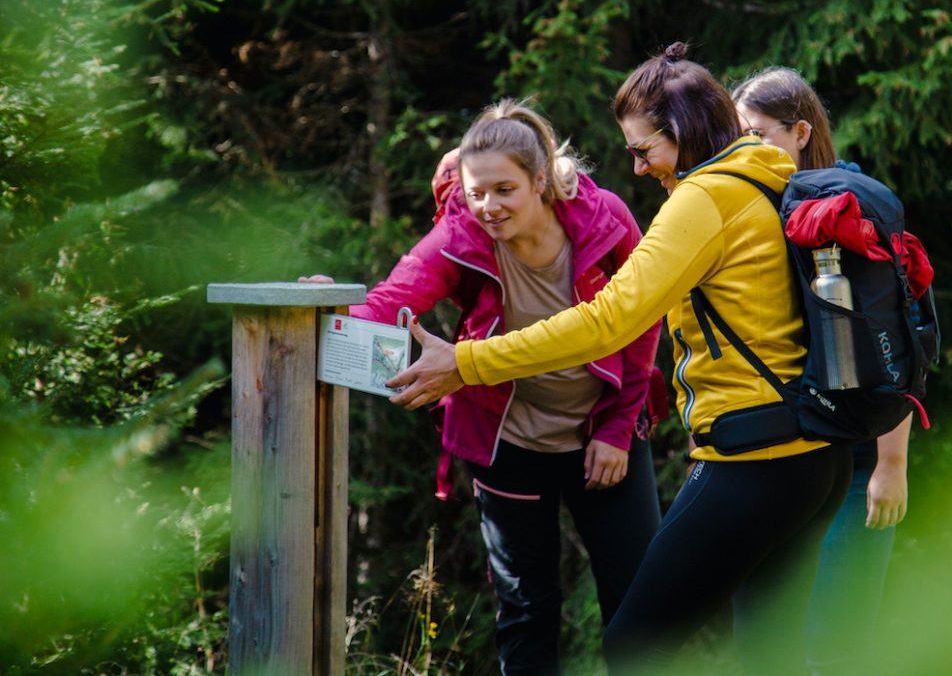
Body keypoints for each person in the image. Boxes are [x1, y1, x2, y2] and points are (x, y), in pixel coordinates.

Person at [388, 43, 854, 673]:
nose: (636, 168)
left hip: (754, 458)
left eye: (643, 150)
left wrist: (467, 362)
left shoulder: (706, 198)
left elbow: (610, 321)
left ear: (685, 133)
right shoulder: (773, 179)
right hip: (819, 460)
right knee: (772, 652)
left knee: (637, 645)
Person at [305, 98, 663, 676]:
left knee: (639, 604)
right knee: (526, 610)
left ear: (540, 180)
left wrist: (620, 429)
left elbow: (645, 319)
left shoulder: (605, 219)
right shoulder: (459, 235)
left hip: (606, 437)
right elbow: (394, 301)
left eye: (504, 190)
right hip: (509, 443)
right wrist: (331, 309)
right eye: (476, 193)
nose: (488, 207)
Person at [733, 65, 913, 675]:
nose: (744, 148)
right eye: (737, 136)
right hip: (784, 451)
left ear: (800, 130)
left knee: (837, 642)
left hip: (858, 456)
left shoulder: (845, 209)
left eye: (755, 133)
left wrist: (891, 466)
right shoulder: (756, 210)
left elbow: (891, 341)